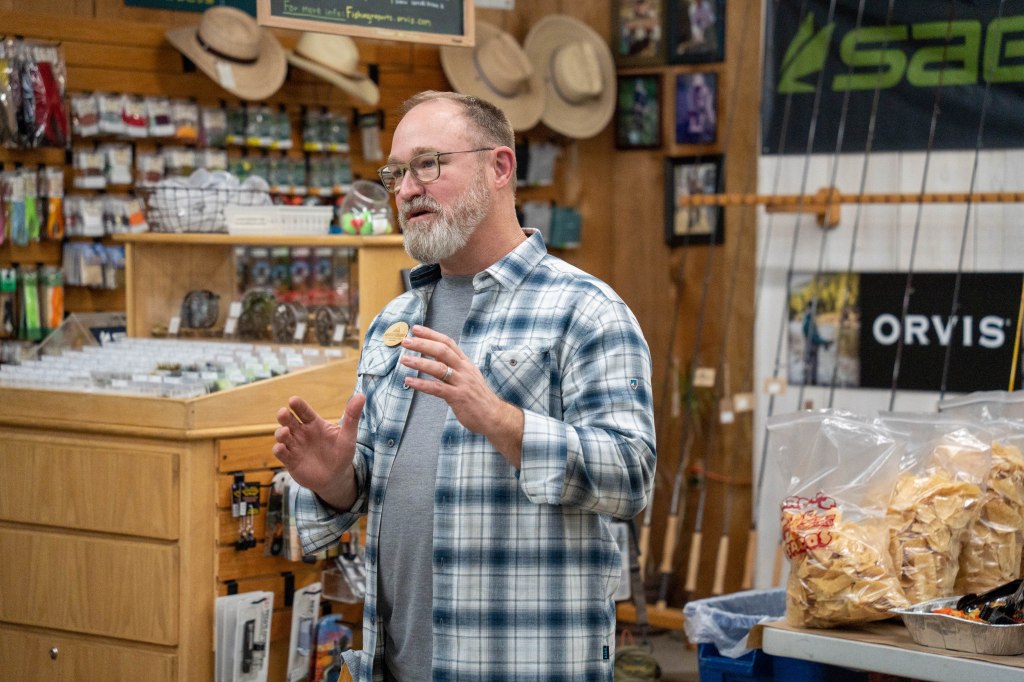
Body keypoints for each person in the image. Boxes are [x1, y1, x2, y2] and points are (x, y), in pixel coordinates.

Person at [273, 91, 657, 681]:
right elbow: (375, 484)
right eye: (396, 172)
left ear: (499, 167)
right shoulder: (395, 321)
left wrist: (502, 420)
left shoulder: (585, 310)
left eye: (428, 164)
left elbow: (632, 476)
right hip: (397, 664)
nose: (405, 189)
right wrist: (336, 481)